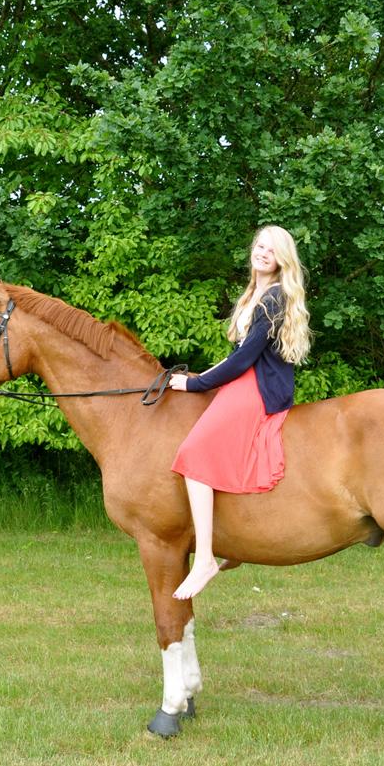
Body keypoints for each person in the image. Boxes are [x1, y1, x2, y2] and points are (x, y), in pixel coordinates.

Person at [167, 225, 312, 600]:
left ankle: (204, 560)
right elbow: (237, 356)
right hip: (245, 381)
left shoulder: (274, 298)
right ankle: (233, 546)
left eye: (271, 249)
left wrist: (195, 384)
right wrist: (204, 376)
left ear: (282, 260)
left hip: (257, 389)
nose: (263, 252)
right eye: (259, 245)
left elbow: (245, 359)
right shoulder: (256, 293)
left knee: (194, 455)